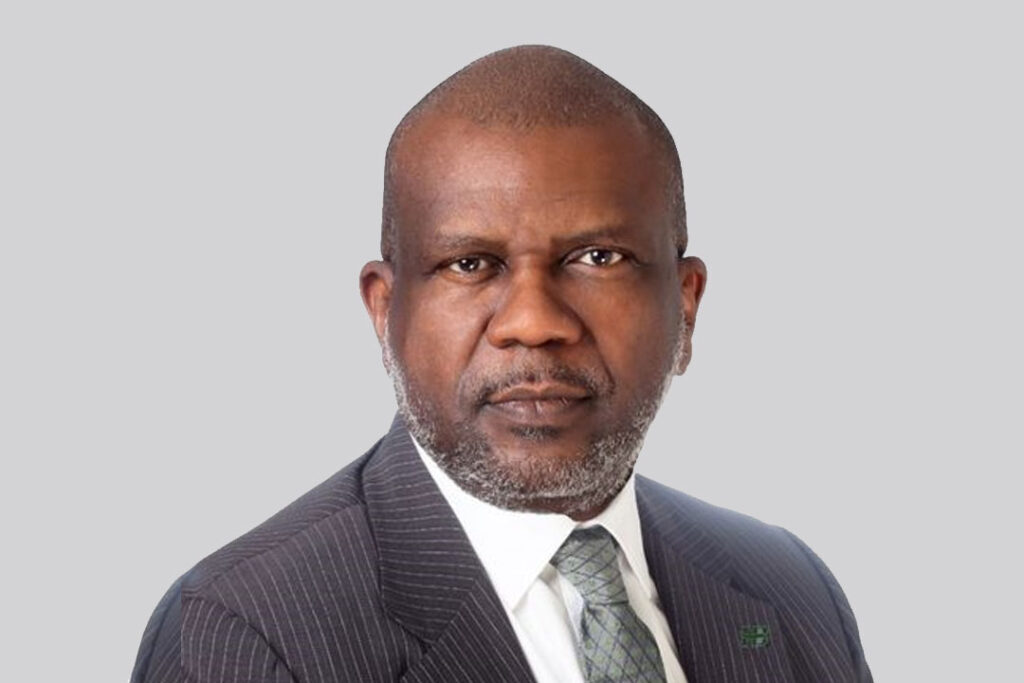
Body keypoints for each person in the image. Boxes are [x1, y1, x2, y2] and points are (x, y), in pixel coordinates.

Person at [131, 45, 872, 683]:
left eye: (598, 257)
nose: (534, 322)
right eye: (470, 263)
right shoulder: (241, 633)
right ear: (385, 312)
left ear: (686, 305)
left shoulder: (790, 588)